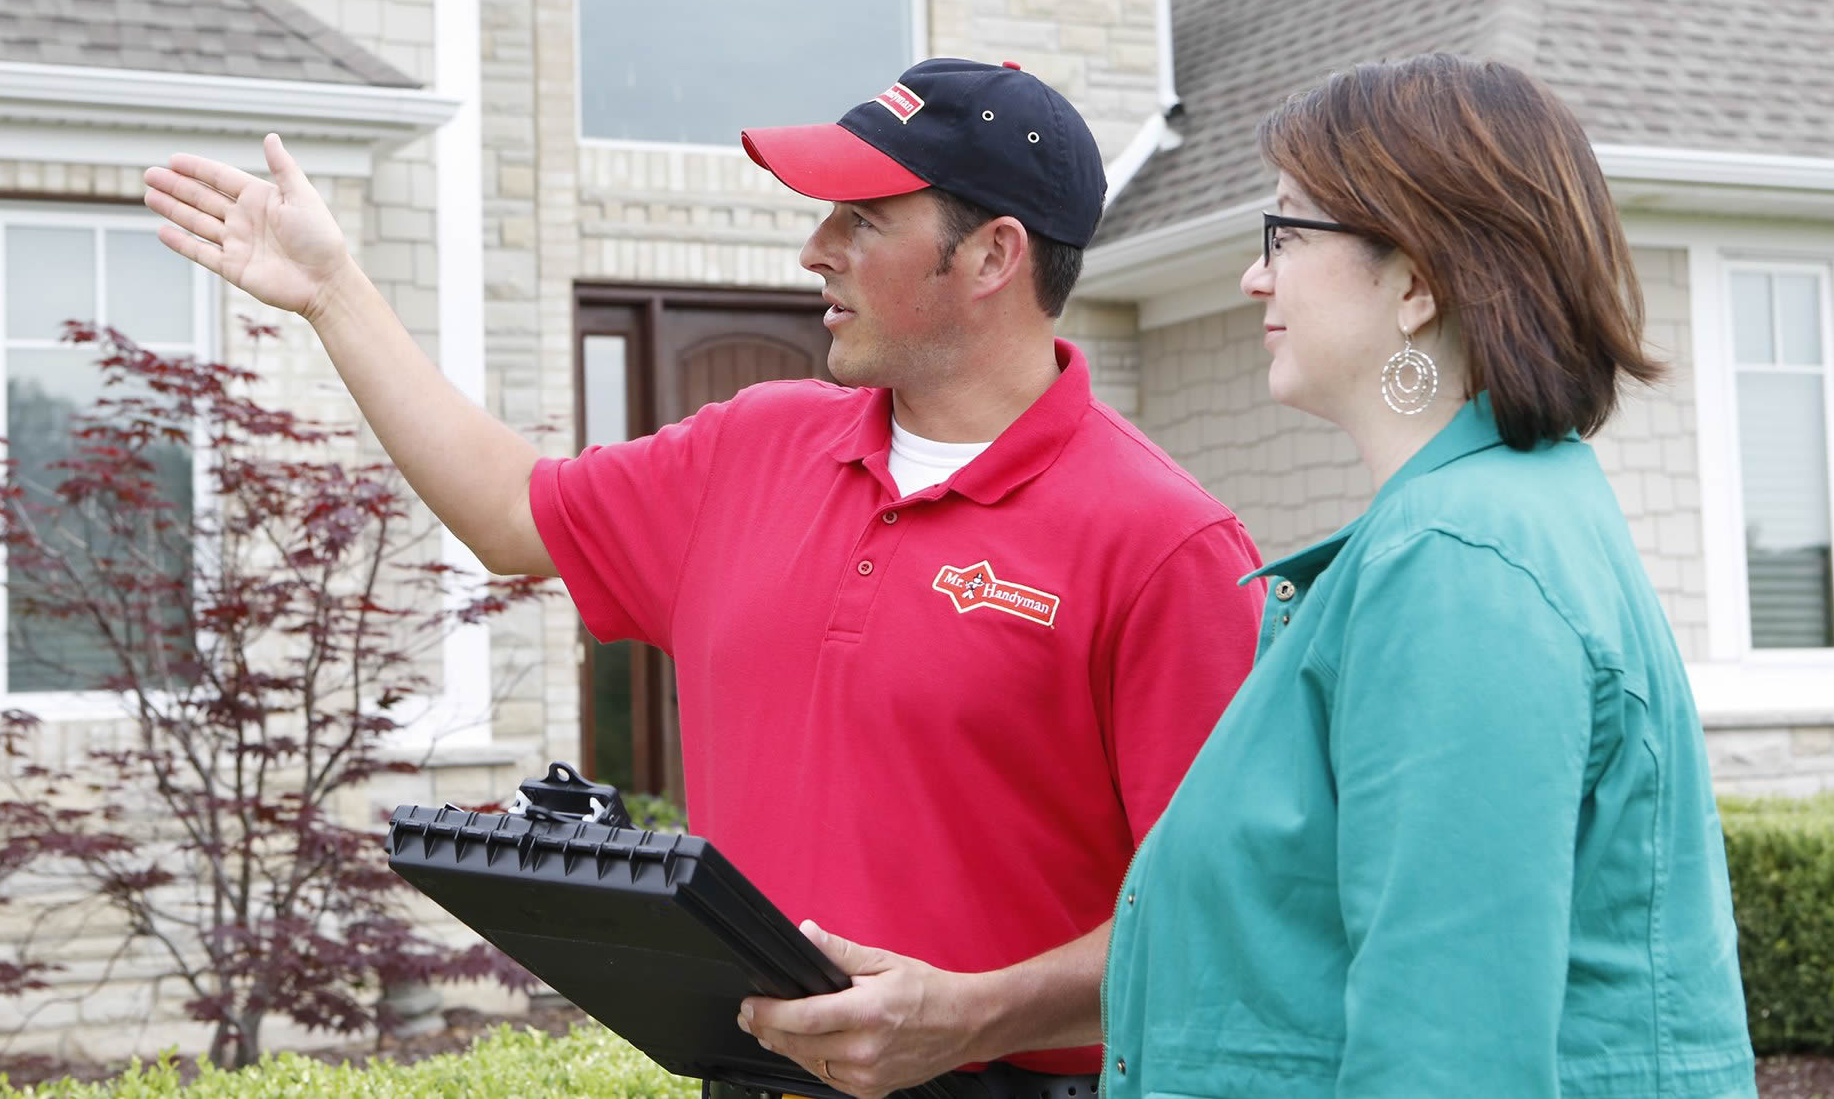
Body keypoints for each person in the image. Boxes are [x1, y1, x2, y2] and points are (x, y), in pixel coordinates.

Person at [143, 57, 1265, 1099]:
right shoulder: (753, 446)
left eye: (862, 219)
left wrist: (971, 1015)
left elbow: (1223, 916)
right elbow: (506, 512)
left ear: (990, 256)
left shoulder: (1164, 545)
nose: (814, 248)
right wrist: (333, 292)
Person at [1099, 54, 1756, 1098]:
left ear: (1414, 280)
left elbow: (1448, 1056)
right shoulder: (1480, 522)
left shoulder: (1459, 562)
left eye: (1283, 231)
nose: (1252, 275)